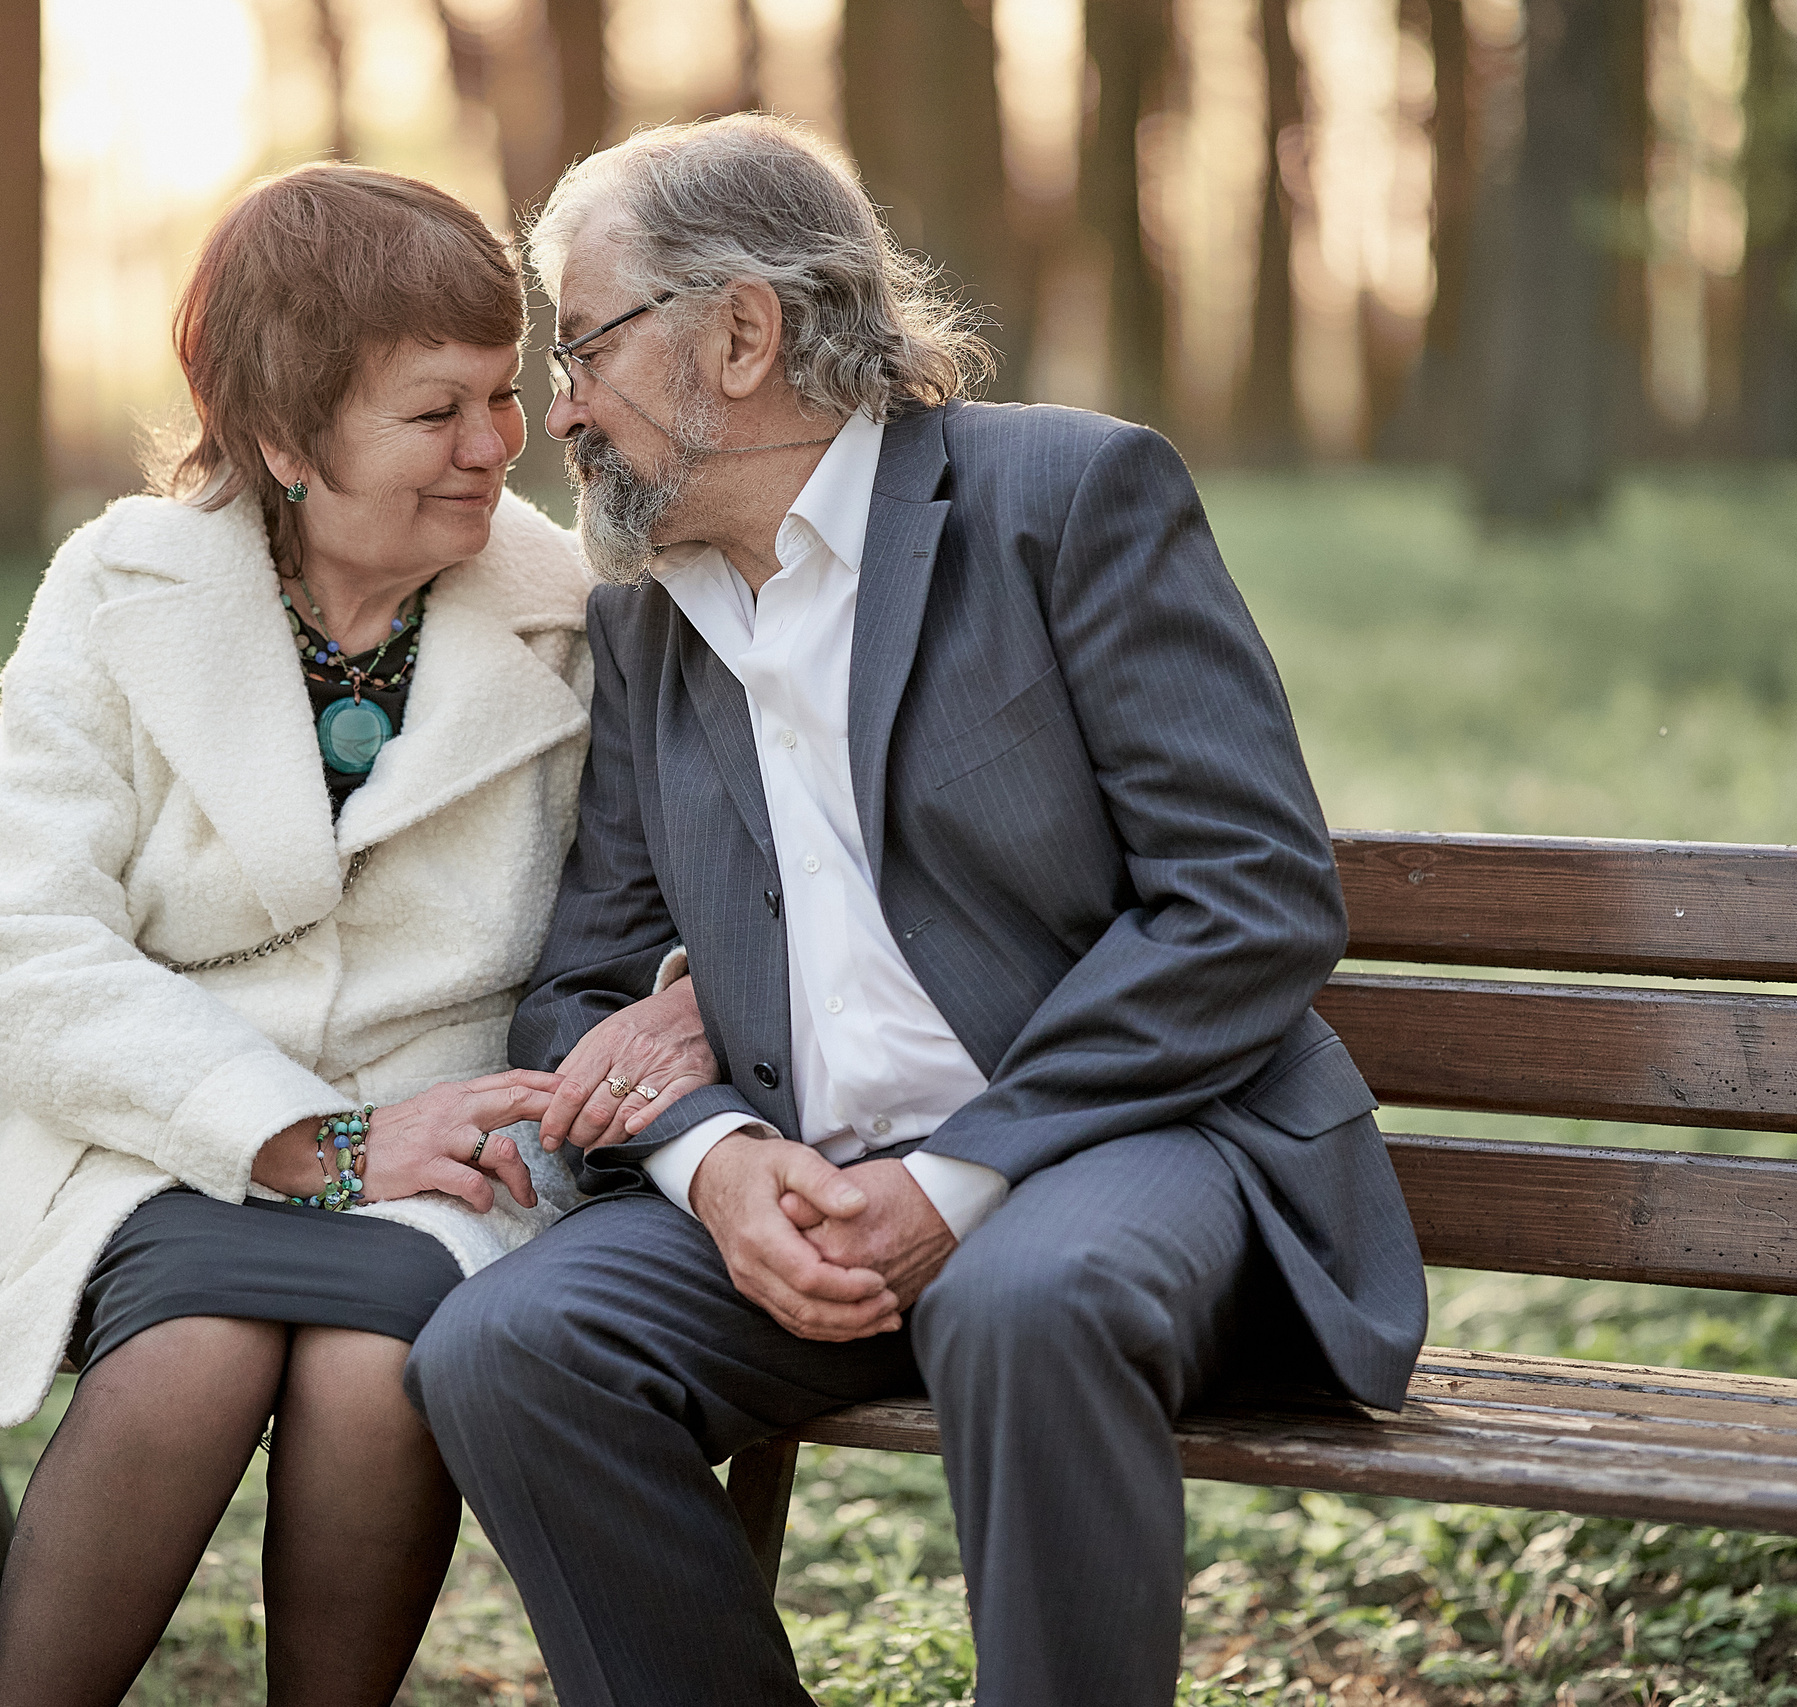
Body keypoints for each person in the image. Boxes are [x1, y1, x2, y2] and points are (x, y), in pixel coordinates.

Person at [405, 114, 1430, 1707]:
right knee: (509, 1348)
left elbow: (1252, 899)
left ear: (739, 335)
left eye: (588, 345)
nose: (560, 407)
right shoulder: (649, 622)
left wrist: (954, 1183)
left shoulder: (1067, 498)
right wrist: (713, 1161)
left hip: (1125, 1149)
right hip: (807, 1191)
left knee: (1026, 1301)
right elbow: (578, 993)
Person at [0, 163, 713, 1707]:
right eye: (433, 413)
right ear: (281, 440)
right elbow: (6, 935)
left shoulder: (583, 607)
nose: (496, 451)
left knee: (374, 1367)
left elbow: (681, 886)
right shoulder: (121, 589)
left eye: (502, 398)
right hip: (150, 1134)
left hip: (464, 1142)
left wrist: (669, 1010)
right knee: (191, 1355)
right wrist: (308, 1141)